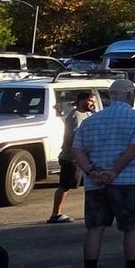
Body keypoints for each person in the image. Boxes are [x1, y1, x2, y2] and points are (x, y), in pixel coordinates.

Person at [72, 78, 135, 268]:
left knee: (95, 228)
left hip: (96, 183)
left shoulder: (90, 121)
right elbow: (134, 147)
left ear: (111, 97)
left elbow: (77, 150)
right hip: (128, 182)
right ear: (130, 96)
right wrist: (114, 171)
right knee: (132, 228)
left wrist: (91, 172)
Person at [49, 90, 98, 224]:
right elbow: (75, 137)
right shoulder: (76, 115)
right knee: (65, 186)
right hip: (71, 158)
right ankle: (55, 214)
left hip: (83, 158)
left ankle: (93, 212)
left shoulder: (88, 114)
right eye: (91, 101)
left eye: (94, 101)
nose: (93, 104)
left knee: (91, 185)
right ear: (82, 101)